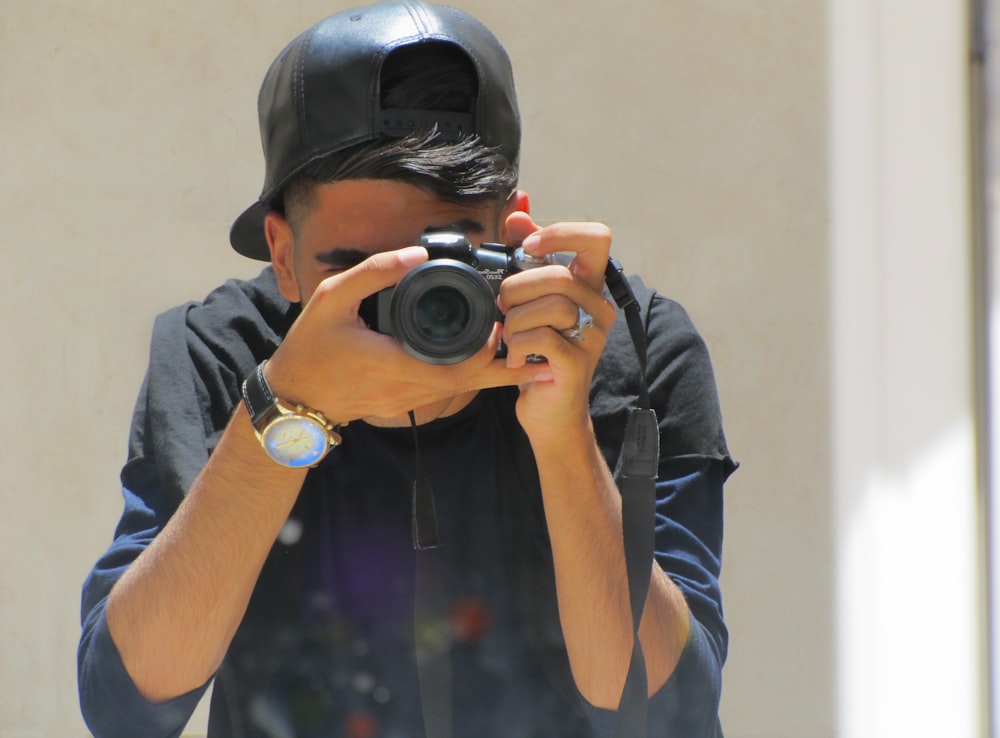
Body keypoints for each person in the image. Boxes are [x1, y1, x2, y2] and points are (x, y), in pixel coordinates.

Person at [77, 2, 736, 736]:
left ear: (513, 230)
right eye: (360, 274)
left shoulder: (619, 347)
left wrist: (562, 439)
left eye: (440, 270)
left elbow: (664, 717)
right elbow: (127, 706)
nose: (405, 309)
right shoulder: (228, 353)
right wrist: (286, 413)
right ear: (283, 254)